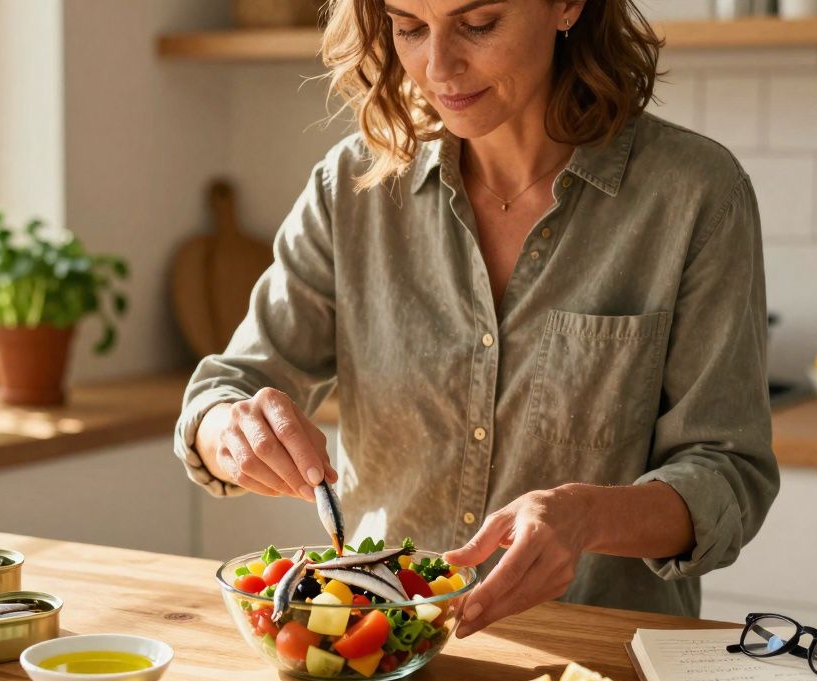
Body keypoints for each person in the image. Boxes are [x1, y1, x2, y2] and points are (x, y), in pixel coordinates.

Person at [174, 0, 779, 637]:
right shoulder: (349, 187)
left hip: (597, 666)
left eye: (478, 24)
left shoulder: (696, 195)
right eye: (408, 27)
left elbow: (728, 474)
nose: (439, 66)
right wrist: (232, 433)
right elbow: (224, 390)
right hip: (382, 649)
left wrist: (586, 516)